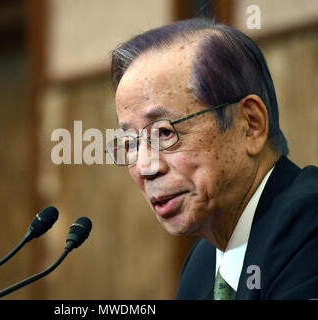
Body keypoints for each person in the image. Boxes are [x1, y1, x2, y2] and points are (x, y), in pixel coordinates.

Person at [106, 18, 318, 300]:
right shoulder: (202, 264)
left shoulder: (309, 223)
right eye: (131, 143)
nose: (145, 167)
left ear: (250, 124)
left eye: (165, 133)